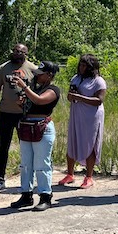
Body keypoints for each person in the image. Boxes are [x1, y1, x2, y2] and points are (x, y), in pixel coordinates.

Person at [9, 61, 61, 211]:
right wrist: (21, 102)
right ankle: (26, 195)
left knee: (41, 164)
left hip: (42, 128)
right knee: (26, 164)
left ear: (49, 75)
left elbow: (40, 100)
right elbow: (29, 104)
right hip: (27, 126)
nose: (37, 77)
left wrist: (24, 87)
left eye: (40, 74)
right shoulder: (35, 89)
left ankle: (46, 196)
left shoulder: (53, 90)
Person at [0, 43, 37, 190]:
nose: (16, 53)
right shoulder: (4, 68)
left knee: (27, 147)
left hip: (24, 115)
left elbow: (37, 92)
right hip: (5, 113)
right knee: (3, 146)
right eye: (14, 51)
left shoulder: (33, 69)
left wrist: (27, 100)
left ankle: (28, 176)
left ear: (25, 54)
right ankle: (0, 178)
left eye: (19, 51)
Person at [59, 54, 107, 189]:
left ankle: (89, 177)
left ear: (91, 67)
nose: (81, 67)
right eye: (80, 64)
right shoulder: (76, 78)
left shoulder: (98, 81)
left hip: (91, 117)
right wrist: (71, 96)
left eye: (85, 65)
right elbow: (70, 96)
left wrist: (80, 97)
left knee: (89, 143)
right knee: (72, 141)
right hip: (76, 114)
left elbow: (99, 100)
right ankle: (70, 174)